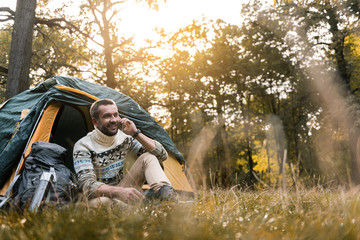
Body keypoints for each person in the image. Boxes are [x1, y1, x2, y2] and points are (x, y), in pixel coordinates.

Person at [73, 99, 175, 205]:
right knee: (105, 202)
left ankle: (168, 200)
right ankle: (143, 207)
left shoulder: (125, 139)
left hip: (122, 192)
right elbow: (87, 186)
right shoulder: (83, 145)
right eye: (107, 116)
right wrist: (119, 192)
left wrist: (135, 133)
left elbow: (162, 155)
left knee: (148, 156)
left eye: (115, 115)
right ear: (95, 121)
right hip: (98, 198)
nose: (113, 120)